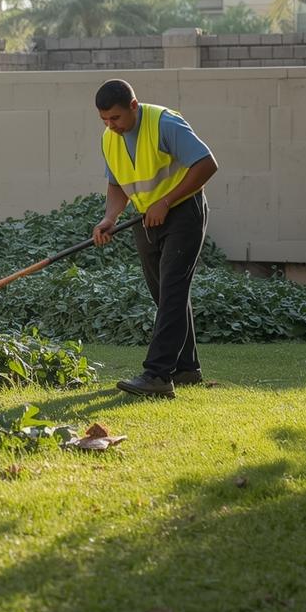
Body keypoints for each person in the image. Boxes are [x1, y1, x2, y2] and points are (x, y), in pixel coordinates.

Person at [91, 79, 220, 396]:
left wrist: (165, 202)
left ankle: (158, 376)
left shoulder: (164, 122)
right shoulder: (110, 138)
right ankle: (187, 369)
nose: (111, 126)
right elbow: (116, 185)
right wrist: (110, 217)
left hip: (182, 213)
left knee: (173, 290)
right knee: (165, 294)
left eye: (116, 118)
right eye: (105, 120)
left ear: (133, 106)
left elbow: (207, 164)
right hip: (144, 218)